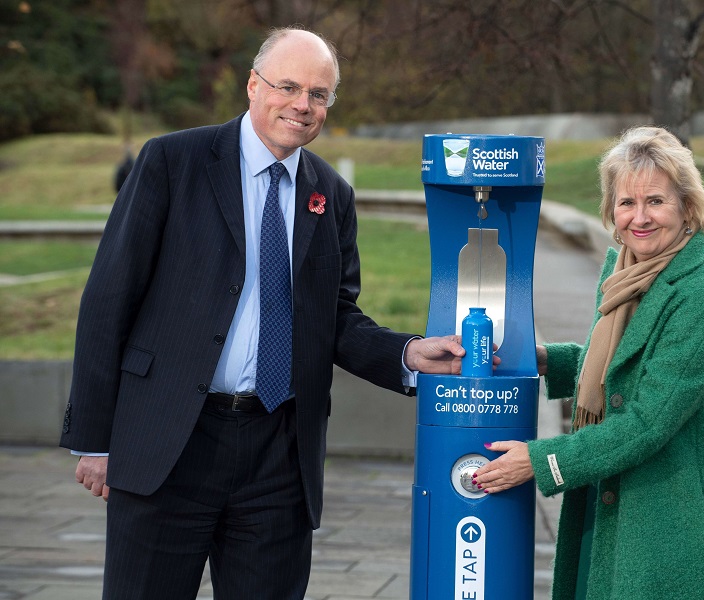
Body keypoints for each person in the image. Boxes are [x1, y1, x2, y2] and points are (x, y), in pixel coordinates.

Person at [60, 26, 470, 600]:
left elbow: (336, 319)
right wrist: (94, 440)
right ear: (254, 86)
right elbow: (109, 298)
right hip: (168, 443)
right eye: (289, 86)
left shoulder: (332, 195)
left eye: (320, 94)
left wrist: (406, 354)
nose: (302, 105)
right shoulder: (171, 162)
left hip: (278, 454)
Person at [473, 126, 704, 599]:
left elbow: (649, 418)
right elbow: (628, 366)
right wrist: (547, 361)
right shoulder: (626, 271)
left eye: (655, 202)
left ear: (687, 206)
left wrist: (544, 462)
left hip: (679, 518)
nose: (639, 218)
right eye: (626, 202)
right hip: (622, 502)